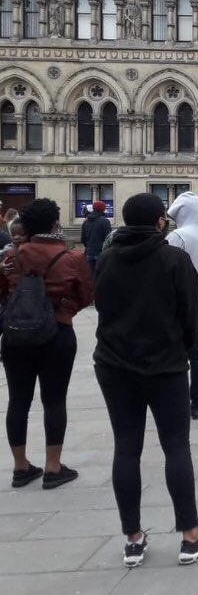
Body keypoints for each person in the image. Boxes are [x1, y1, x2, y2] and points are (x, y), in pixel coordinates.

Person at [93, 193, 198, 567]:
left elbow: (100, 305)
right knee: (176, 447)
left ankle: (133, 539)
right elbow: (189, 315)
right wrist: (180, 349)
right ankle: (190, 536)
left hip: (114, 365)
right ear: (159, 222)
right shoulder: (173, 258)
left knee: (126, 448)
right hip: (164, 366)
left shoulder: (107, 259)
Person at [0, 198, 94, 490]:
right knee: (54, 400)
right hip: (57, 333)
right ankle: (53, 467)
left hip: (15, 334)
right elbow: (88, 295)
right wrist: (64, 308)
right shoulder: (71, 257)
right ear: (55, 223)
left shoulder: (13, 255)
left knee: (18, 400)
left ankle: (20, 467)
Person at [165, 192, 198, 421]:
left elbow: (167, 271)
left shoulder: (177, 236)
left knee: (175, 353)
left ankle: (175, 401)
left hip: (179, 301)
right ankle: (197, 403)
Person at [80, 199, 112, 275]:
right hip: (102, 254)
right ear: (103, 209)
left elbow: (83, 240)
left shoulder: (85, 222)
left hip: (89, 253)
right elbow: (109, 239)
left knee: (90, 278)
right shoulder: (105, 221)